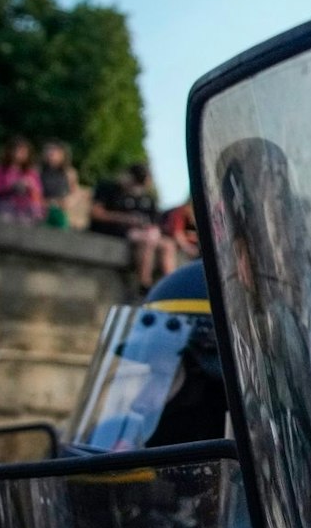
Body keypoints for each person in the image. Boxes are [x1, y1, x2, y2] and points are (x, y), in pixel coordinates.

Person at [68, 260, 230, 452]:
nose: (138, 402)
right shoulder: (116, 433)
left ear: (217, 388)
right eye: (148, 376)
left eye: (162, 376)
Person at [91, 161, 176, 291]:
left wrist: (150, 228)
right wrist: (125, 219)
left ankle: (171, 284)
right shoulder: (108, 188)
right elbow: (96, 213)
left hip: (142, 232)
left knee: (168, 245)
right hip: (114, 229)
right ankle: (144, 283)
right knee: (146, 241)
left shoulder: (146, 198)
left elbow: (155, 222)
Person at [0, 136, 44, 223]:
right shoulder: (1, 170)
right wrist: (12, 187)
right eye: (16, 150)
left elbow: (38, 193)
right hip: (5, 203)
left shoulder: (31, 173)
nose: (18, 154)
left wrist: (29, 186)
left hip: (26, 206)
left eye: (23, 152)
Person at [38, 140, 81, 229]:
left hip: (60, 210)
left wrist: (69, 202)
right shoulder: (39, 170)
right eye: (49, 151)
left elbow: (75, 192)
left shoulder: (69, 172)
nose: (51, 154)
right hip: (41, 209)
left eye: (55, 152)